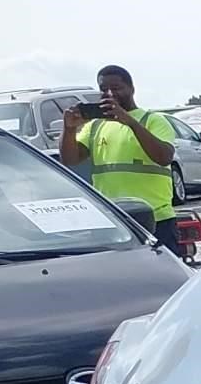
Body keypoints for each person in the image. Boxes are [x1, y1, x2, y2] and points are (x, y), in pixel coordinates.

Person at [59, 65, 181, 248]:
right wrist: (69, 129)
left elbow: (164, 157)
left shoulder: (153, 120)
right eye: (103, 90)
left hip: (156, 219)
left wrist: (130, 122)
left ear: (132, 89)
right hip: (113, 221)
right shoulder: (96, 125)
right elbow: (70, 160)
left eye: (116, 88)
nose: (109, 94)